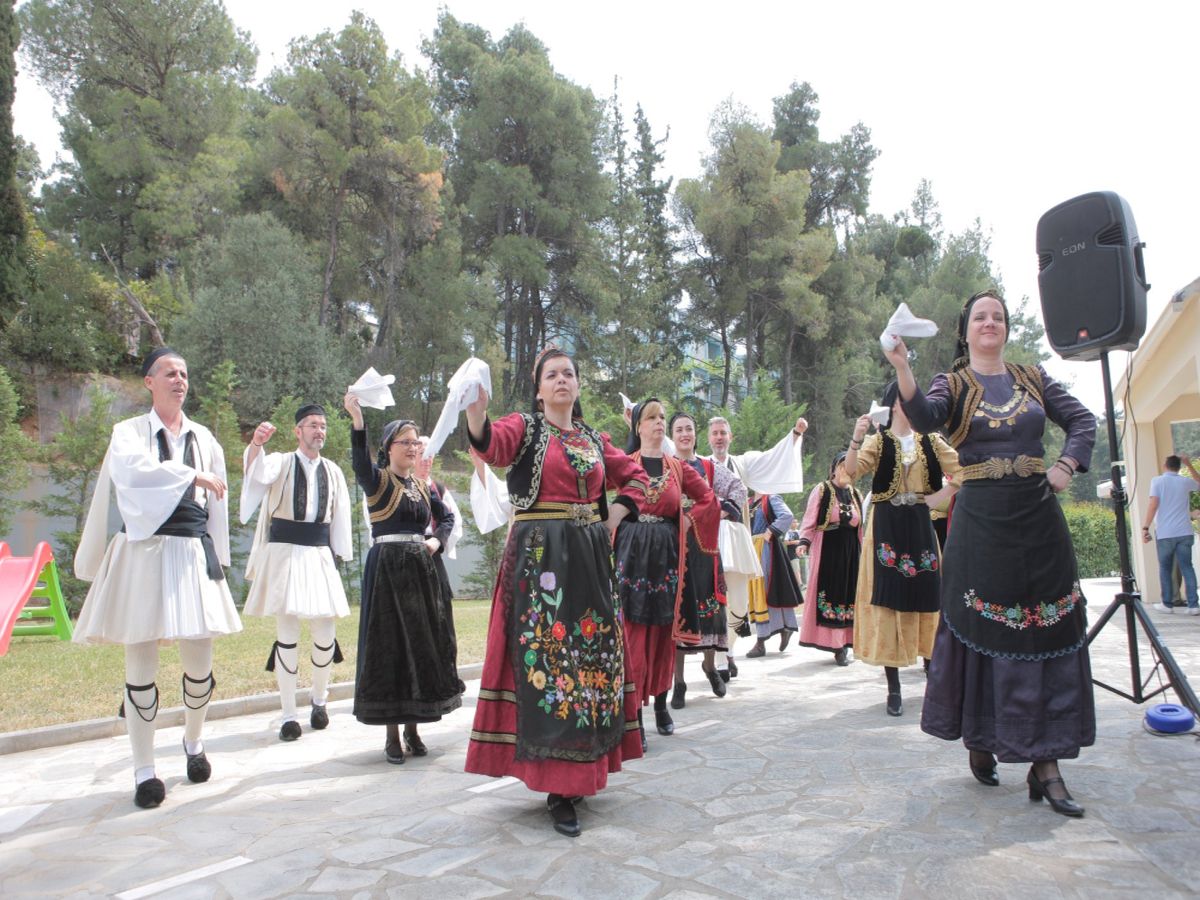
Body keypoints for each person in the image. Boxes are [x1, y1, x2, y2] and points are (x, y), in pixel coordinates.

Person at [889, 289, 1097, 818]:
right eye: (980, 317)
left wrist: (1066, 466)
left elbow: (1083, 421)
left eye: (998, 317)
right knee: (983, 627)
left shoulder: (1033, 378)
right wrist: (903, 367)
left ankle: (1046, 763)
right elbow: (926, 417)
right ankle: (980, 735)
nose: (990, 323)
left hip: (1039, 519)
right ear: (966, 330)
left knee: (1046, 627)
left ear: (1007, 327)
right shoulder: (953, 383)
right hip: (981, 522)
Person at [464, 348, 648, 837]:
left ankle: (583, 769)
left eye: (569, 373)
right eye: (552, 374)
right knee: (552, 663)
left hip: (590, 561)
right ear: (539, 387)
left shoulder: (593, 438)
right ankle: (559, 786)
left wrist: (617, 512)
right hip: (541, 565)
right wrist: (477, 414)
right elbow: (492, 446)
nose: (561, 379)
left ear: (578, 385)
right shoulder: (524, 428)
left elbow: (637, 476)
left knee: (591, 660)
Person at [74, 348, 241, 809]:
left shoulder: (205, 438)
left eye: (184, 373)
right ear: (149, 381)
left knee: (200, 663)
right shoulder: (128, 433)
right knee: (140, 662)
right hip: (143, 552)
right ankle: (144, 769)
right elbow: (133, 475)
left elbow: (218, 507)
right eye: (169, 373)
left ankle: (194, 742)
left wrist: (218, 558)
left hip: (191, 552)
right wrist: (191, 476)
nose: (179, 380)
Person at [343, 394, 464, 764]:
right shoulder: (377, 481)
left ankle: (414, 728)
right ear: (389, 447)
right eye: (405, 442)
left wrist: (436, 540)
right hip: (388, 572)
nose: (412, 448)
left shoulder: (422, 486)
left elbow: (446, 518)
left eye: (415, 442)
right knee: (390, 647)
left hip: (420, 573)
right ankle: (392, 735)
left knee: (420, 646)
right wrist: (358, 421)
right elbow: (359, 461)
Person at [240, 404, 353, 742]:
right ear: (298, 431)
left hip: (318, 554)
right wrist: (257, 445)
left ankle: (319, 700)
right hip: (285, 553)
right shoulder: (281, 461)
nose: (319, 431)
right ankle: (289, 714)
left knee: (325, 635)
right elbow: (257, 474)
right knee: (286, 637)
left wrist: (339, 554)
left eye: (323, 426)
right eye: (313, 425)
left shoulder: (333, 470)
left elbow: (340, 515)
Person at [845, 383, 960, 714]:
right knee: (889, 598)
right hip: (886, 527)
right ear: (893, 405)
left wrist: (939, 497)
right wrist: (857, 438)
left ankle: (934, 679)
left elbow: (964, 469)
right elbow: (850, 473)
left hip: (920, 525)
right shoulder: (877, 442)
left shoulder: (931, 441)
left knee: (928, 595)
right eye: (905, 398)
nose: (912, 403)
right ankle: (893, 687)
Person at [616, 401, 720, 746]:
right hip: (631, 556)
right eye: (651, 418)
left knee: (663, 636)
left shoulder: (677, 468)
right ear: (638, 427)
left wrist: (688, 519)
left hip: (667, 557)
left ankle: (661, 706)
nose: (659, 422)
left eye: (662, 417)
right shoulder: (624, 465)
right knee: (632, 636)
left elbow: (708, 498)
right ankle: (634, 716)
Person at [706, 415, 807, 674]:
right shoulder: (700, 465)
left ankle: (728, 648)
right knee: (716, 602)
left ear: (730, 437)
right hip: (710, 541)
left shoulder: (742, 464)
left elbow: (771, 458)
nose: (719, 437)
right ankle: (722, 657)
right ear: (708, 438)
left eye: (723, 433)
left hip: (737, 540)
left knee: (740, 604)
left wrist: (794, 435)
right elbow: (672, 449)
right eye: (715, 433)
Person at [668, 411, 747, 707]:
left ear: (695, 434)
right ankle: (678, 682)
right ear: (672, 436)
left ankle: (710, 666)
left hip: (706, 549)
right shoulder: (666, 467)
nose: (684, 434)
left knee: (711, 610)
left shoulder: (709, 467)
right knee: (678, 611)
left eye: (689, 428)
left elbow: (739, 489)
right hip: (675, 549)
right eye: (679, 429)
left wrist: (718, 512)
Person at [796, 452, 863, 666]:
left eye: (850, 467)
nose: (846, 470)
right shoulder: (822, 489)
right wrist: (804, 542)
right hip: (828, 549)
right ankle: (836, 646)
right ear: (833, 469)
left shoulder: (856, 494)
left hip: (851, 551)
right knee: (831, 593)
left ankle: (847, 642)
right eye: (842, 466)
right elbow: (810, 518)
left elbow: (861, 527)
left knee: (849, 595)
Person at [746, 489, 804, 655]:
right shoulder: (748, 502)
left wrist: (770, 531)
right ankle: (784, 628)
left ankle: (761, 641)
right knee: (758, 591)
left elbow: (787, 515)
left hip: (766, 549)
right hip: (751, 549)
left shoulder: (770, 498)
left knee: (765, 590)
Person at [1143, 454, 1200, 614]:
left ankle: (1167, 604)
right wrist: (1189, 464)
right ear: (1179, 467)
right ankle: (1194, 605)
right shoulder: (1185, 482)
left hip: (1165, 533)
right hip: (1185, 532)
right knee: (1187, 567)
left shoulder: (1157, 481)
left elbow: (1153, 504)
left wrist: (1145, 527)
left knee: (1165, 568)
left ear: (1165, 466)